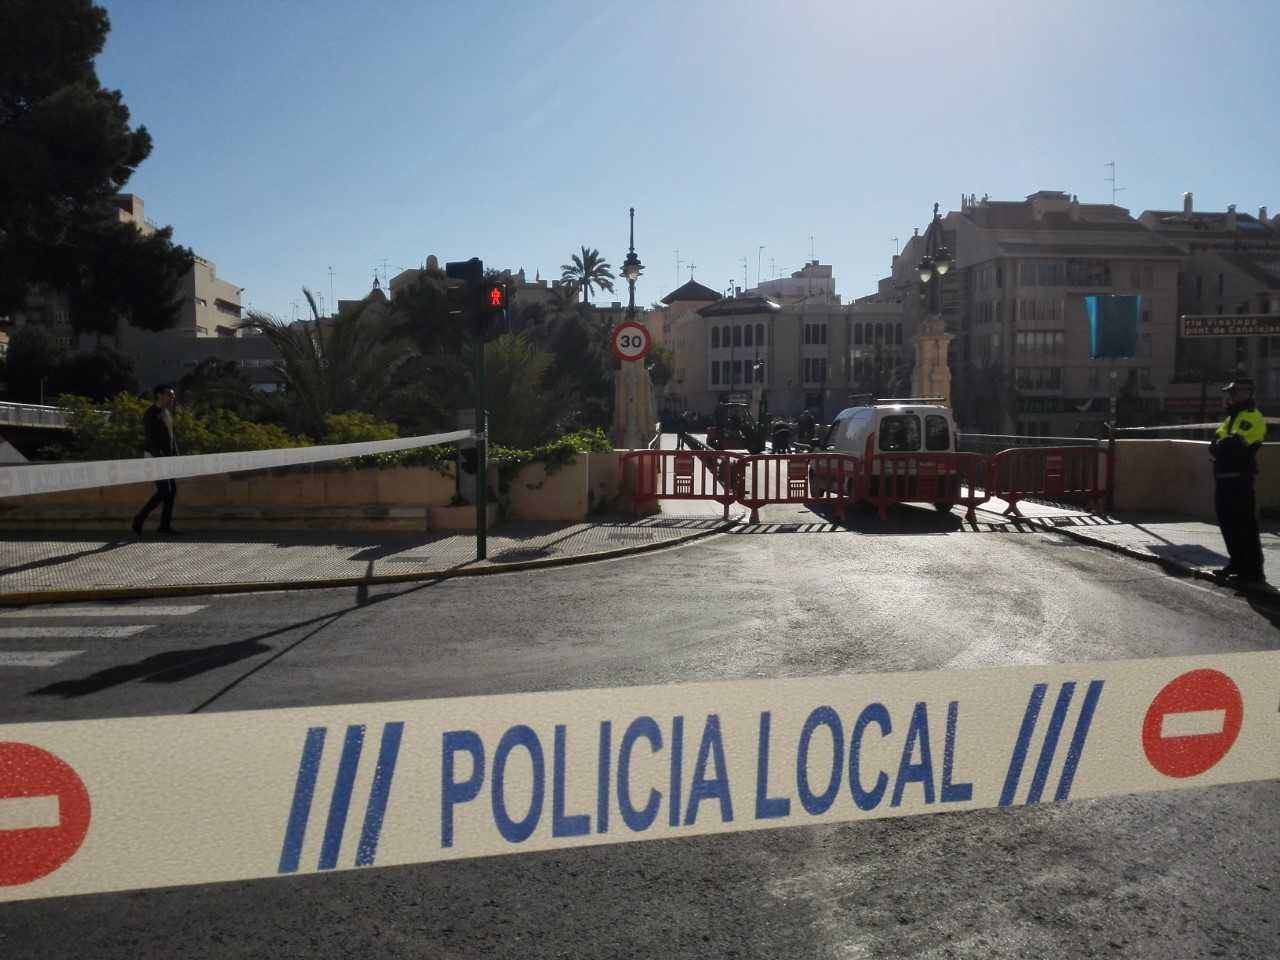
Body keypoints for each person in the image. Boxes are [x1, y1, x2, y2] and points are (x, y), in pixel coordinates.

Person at [1209, 377, 1265, 584]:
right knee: (1228, 524)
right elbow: (1215, 444)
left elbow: (1235, 446)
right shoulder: (1231, 419)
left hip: (1240, 480)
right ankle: (1237, 563)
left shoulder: (1252, 417)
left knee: (1244, 525)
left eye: (1232, 393)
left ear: (1246, 393)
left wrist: (1222, 445)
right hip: (1223, 478)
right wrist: (1222, 444)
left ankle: (1253, 571)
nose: (1228, 397)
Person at [132, 384, 182, 537]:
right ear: (159, 395)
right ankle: (140, 518)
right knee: (164, 490)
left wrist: (177, 456)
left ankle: (164, 526)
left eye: (173, 395)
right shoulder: (150, 413)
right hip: (155, 458)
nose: (172, 398)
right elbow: (150, 439)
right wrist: (159, 458)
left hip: (168, 459)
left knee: (171, 491)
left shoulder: (167, 413)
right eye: (169, 395)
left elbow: (171, 437)